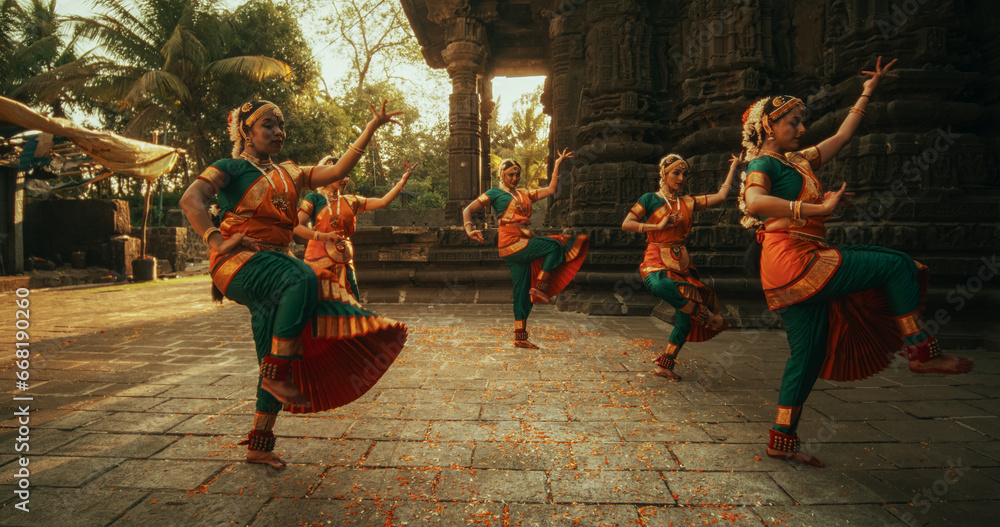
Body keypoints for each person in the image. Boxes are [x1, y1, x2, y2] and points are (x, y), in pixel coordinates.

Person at [738, 57, 974, 467]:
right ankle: (921, 353)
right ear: (768, 126)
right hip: (795, 258)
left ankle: (781, 439)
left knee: (807, 356)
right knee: (896, 265)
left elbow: (843, 135)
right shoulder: (763, 163)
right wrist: (816, 208)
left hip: (790, 265)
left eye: (802, 121)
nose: (801, 128)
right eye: (792, 121)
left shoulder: (800, 161)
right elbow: (754, 203)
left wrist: (868, 90)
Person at [179, 99, 408, 469]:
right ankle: (279, 373)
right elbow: (191, 200)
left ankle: (259, 444)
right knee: (303, 275)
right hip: (239, 262)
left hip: (274, 267)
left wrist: (371, 128)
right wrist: (215, 239)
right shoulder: (229, 168)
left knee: (270, 357)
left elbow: (338, 169)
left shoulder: (292, 172)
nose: (277, 131)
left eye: (281, 126)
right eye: (268, 124)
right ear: (245, 130)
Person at [621, 153, 738, 381]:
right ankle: (705, 315)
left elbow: (722, 195)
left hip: (681, 261)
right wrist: (658, 224)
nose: (681, 178)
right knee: (658, 284)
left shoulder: (687, 202)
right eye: (676, 172)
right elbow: (627, 224)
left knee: (684, 322)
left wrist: (733, 167)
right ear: (664, 174)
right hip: (656, 255)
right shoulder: (649, 198)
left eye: (684, 174)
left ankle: (665, 364)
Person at [462, 149, 589, 348]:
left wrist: (557, 164)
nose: (514, 178)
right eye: (510, 174)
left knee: (521, 293)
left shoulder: (524, 194)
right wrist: (470, 229)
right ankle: (539, 287)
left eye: (517, 174)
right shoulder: (494, 194)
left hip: (521, 241)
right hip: (510, 242)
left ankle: (520, 337)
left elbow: (551, 190)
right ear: (501, 175)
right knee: (556, 245)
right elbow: (467, 210)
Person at [294, 157, 416, 299]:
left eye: (347, 175)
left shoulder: (351, 201)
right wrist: (323, 236)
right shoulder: (314, 199)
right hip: (318, 261)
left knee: (351, 305)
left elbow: (382, 201)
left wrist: (403, 180)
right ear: (328, 175)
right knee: (321, 306)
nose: (345, 179)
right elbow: (296, 226)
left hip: (344, 262)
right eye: (341, 175)